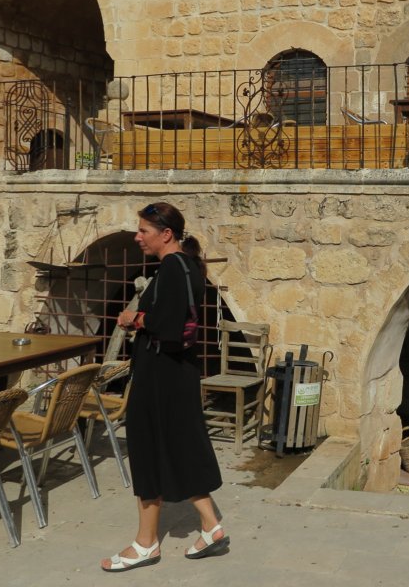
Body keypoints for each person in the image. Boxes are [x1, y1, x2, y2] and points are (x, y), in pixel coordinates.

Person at [101, 202, 228, 572]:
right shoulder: (188, 265)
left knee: (147, 451)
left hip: (160, 375)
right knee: (177, 446)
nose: (137, 237)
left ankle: (145, 544)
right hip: (178, 372)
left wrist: (135, 318)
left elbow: (168, 326)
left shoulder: (172, 268)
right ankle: (211, 525)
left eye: (144, 231)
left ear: (166, 234)